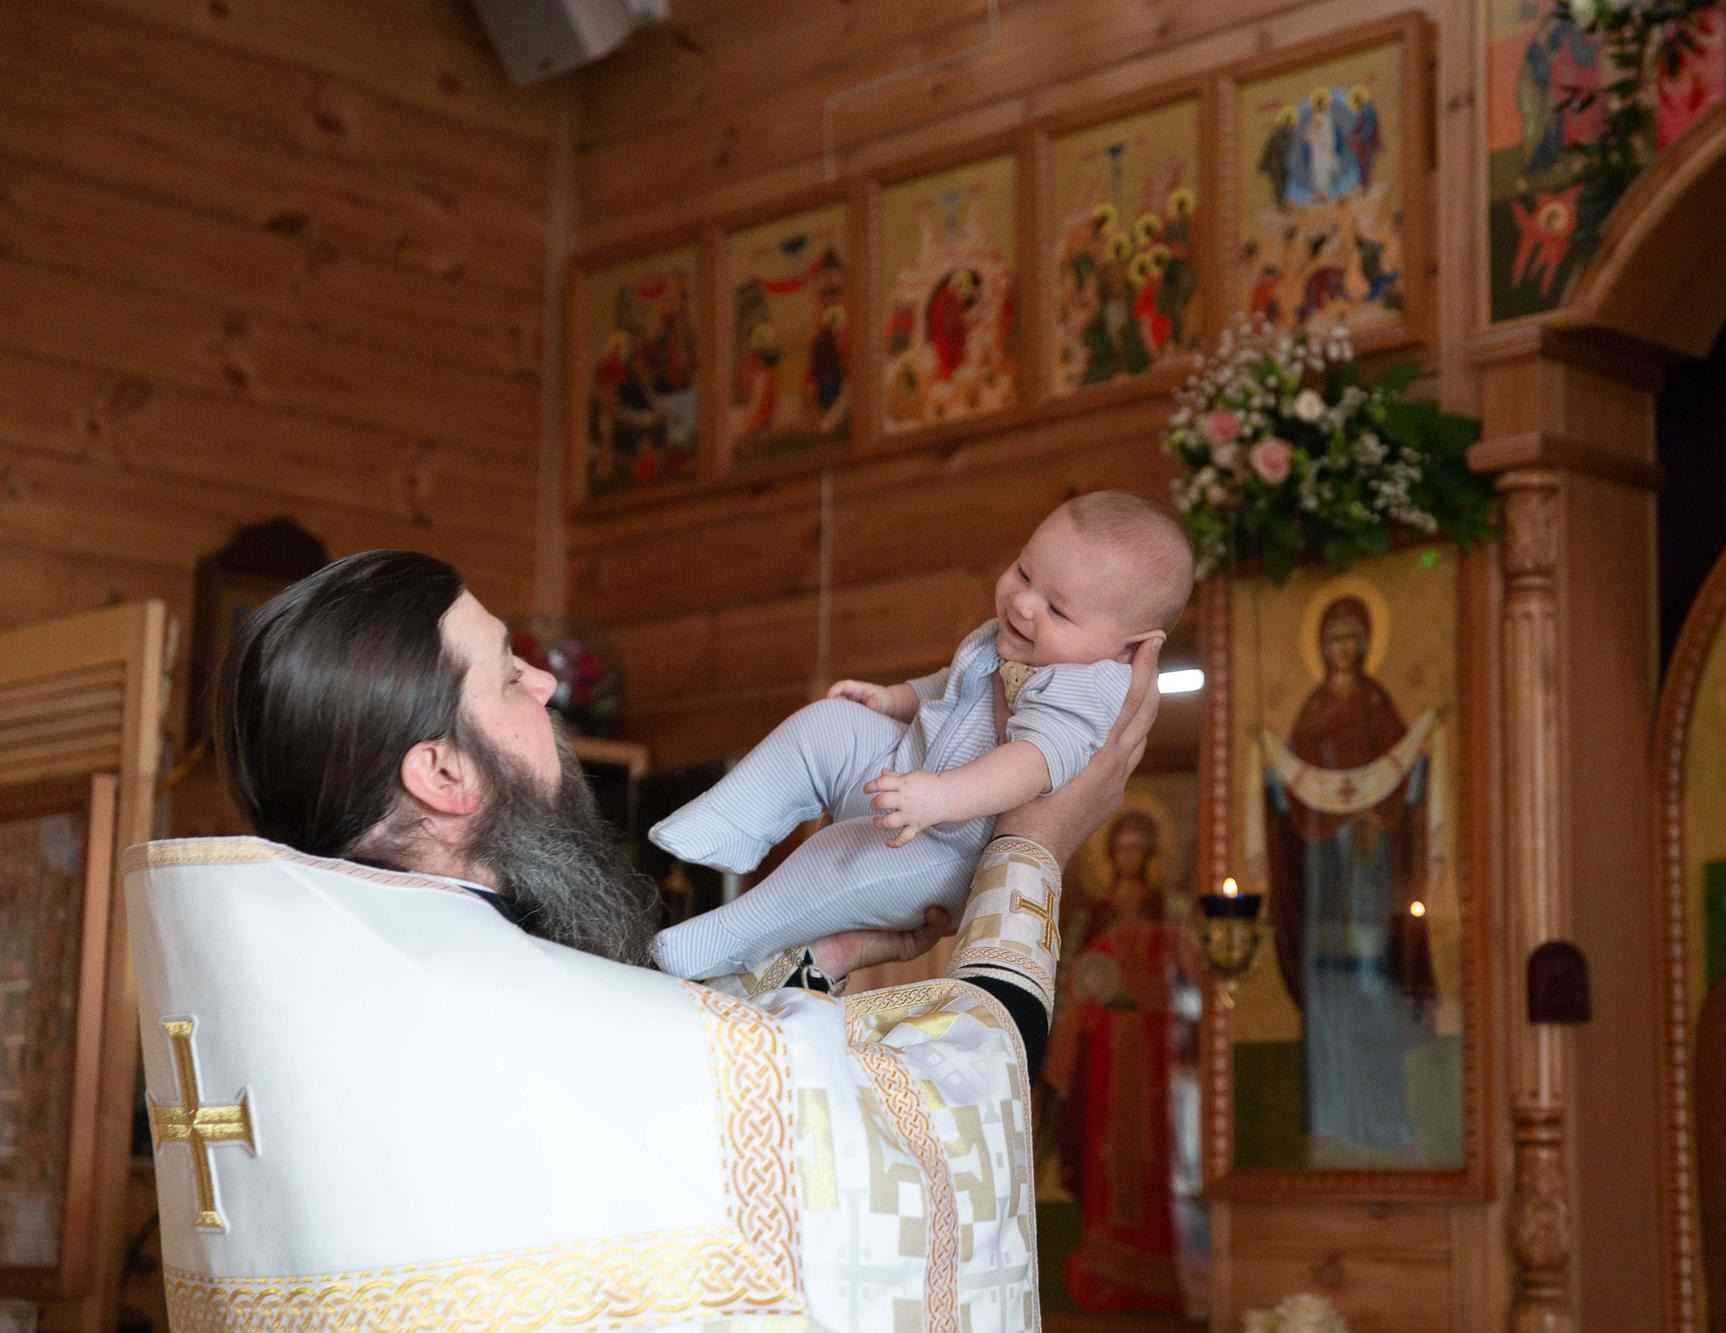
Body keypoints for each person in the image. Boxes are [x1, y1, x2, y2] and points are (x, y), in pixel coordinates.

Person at [126, 548, 1161, 1332]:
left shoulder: (310, 999)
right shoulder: (518, 1014)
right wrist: (1031, 847)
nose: (543, 683)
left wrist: (829, 957)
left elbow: (655, 1064)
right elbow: (950, 1121)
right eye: (506, 675)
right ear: (443, 773)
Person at [649, 491, 1195, 981]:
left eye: (1057, 609)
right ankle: (730, 825)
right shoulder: (1010, 639)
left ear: (1128, 649)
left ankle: (725, 938)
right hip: (902, 776)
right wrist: (893, 699)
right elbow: (952, 683)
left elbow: (1032, 763)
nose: (1023, 603)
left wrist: (941, 798)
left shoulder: (1086, 688)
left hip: (946, 847)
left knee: (835, 856)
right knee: (828, 723)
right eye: (1024, 572)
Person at [1264, 595, 1432, 1150]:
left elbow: (1402, 776)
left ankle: (1385, 1116)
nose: (1342, 649)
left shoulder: (1377, 703)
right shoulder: (1313, 710)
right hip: (1322, 871)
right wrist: (1273, 777)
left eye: (1350, 639)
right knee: (1329, 989)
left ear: (1363, 645)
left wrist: (1375, 814)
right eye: (1333, 639)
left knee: (1372, 982)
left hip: (1369, 865)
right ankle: (1331, 1116)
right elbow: (1292, 787)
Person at [1044, 810, 1200, 1315]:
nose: (1129, 857)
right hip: (1104, 1055)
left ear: (1151, 853)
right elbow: (1073, 983)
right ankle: (1106, 1271)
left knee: (1156, 1154)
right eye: (1121, 848)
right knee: (1106, 1155)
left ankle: (1160, 1273)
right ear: (1111, 855)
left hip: (1155, 1055)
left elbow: (1190, 984)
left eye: (1138, 847)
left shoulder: (1170, 910)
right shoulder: (1093, 915)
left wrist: (1143, 992)